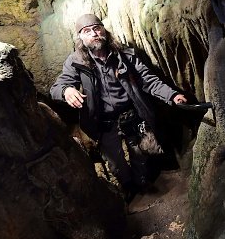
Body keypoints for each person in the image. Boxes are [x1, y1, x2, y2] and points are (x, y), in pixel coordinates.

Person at [50, 14, 187, 200]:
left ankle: (141, 184)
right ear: (80, 37)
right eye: (87, 31)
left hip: (131, 116)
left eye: (97, 28)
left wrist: (172, 95)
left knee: (140, 154)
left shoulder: (125, 55)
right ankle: (128, 186)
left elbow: (149, 80)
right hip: (104, 122)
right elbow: (56, 87)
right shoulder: (76, 62)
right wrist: (66, 91)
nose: (94, 33)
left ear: (103, 30)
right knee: (115, 163)